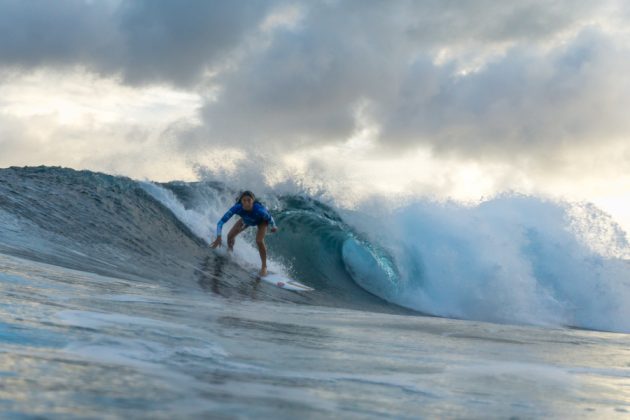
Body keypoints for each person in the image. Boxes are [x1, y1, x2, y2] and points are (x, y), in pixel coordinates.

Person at [210, 190, 277, 276]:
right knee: (230, 236)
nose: (246, 203)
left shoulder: (260, 210)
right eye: (244, 200)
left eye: (249, 200)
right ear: (241, 201)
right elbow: (221, 222)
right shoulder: (237, 208)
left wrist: (274, 226)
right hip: (246, 220)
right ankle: (230, 253)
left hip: (261, 222)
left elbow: (269, 218)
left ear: (253, 201)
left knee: (259, 241)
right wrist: (218, 236)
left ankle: (264, 267)